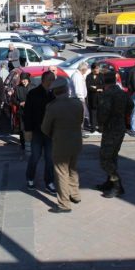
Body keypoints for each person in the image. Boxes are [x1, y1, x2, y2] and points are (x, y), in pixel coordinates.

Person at [41, 76, 83, 213]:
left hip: (60, 144)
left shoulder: (52, 107)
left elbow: (45, 128)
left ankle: (64, 204)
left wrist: (54, 133)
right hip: (76, 142)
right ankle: (75, 195)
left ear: (54, 92)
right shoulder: (77, 104)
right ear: (66, 89)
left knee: (61, 174)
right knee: (73, 169)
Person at [97, 71, 135, 198]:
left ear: (104, 82)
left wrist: (100, 123)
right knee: (112, 156)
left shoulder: (107, 94)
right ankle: (110, 182)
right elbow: (131, 104)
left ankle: (117, 185)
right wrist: (121, 114)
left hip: (110, 128)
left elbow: (104, 112)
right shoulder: (121, 92)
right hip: (120, 127)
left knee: (105, 158)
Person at [23, 71, 56, 194]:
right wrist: (28, 130)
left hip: (50, 132)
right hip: (37, 131)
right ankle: (30, 178)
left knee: (50, 158)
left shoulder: (54, 94)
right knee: (35, 156)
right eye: (52, 79)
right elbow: (27, 114)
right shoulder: (33, 93)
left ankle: (49, 181)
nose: (54, 81)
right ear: (46, 81)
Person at [13, 72, 36, 149]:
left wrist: (28, 103)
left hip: (32, 112)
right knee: (22, 129)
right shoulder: (17, 88)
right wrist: (20, 104)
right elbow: (14, 99)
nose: (23, 81)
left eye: (24, 80)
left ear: (28, 79)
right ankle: (23, 144)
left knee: (32, 128)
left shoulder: (33, 87)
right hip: (21, 112)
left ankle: (33, 143)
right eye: (22, 80)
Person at [69, 62, 89, 134]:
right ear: (83, 69)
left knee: (80, 116)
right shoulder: (77, 77)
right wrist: (81, 100)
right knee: (79, 116)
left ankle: (79, 130)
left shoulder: (78, 75)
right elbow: (78, 90)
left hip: (77, 99)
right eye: (86, 70)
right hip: (77, 99)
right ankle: (79, 131)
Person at [86, 62, 104, 133]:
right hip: (92, 97)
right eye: (96, 68)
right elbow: (88, 86)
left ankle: (100, 127)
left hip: (100, 97)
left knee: (100, 112)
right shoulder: (89, 76)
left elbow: (103, 85)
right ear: (93, 69)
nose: (98, 70)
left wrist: (96, 87)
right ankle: (93, 127)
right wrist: (96, 89)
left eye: (98, 68)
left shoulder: (101, 76)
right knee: (93, 112)